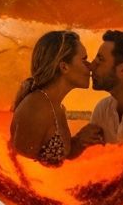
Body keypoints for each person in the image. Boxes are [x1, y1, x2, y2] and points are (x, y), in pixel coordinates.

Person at [11, 30, 104, 166]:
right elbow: (21, 164)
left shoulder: (56, 106)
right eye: (84, 59)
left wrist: (80, 140)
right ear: (64, 67)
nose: (90, 67)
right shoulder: (36, 109)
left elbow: (62, 155)